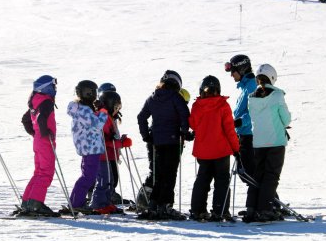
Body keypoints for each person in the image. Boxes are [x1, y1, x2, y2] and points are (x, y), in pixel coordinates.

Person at [137, 70, 190, 220]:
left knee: (159, 175)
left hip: (157, 142)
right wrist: (185, 132)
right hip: (172, 142)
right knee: (170, 174)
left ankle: (153, 205)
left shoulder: (152, 98)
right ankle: (165, 206)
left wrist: (146, 136)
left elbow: (141, 117)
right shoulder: (175, 97)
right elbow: (184, 115)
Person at [244, 64, 291, 222]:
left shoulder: (251, 97)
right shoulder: (277, 95)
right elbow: (286, 119)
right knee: (271, 176)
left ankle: (251, 208)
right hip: (276, 141)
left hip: (258, 142)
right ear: (272, 78)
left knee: (258, 175)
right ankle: (265, 209)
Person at [189, 76, 240, 221]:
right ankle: (221, 210)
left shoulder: (197, 106)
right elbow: (229, 129)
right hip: (221, 151)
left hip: (203, 151)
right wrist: (236, 149)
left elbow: (193, 124)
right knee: (222, 182)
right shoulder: (223, 105)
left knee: (202, 180)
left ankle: (197, 210)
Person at [20, 75, 59, 216]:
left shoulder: (35, 101)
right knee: (46, 173)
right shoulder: (46, 102)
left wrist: (35, 133)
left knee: (39, 172)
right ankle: (36, 203)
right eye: (53, 85)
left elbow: (25, 120)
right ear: (46, 87)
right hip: (45, 141)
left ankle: (27, 202)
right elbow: (42, 117)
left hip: (38, 140)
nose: (55, 88)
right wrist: (45, 132)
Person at [67, 80, 108, 211]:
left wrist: (97, 110)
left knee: (87, 176)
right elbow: (97, 125)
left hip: (89, 146)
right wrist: (103, 111)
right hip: (90, 147)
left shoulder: (83, 109)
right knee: (88, 177)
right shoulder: (83, 110)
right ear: (87, 93)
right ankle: (76, 203)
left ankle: (75, 202)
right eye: (93, 92)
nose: (95, 95)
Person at [90, 90, 132, 213]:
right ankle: (98, 204)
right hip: (102, 155)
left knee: (110, 181)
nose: (118, 110)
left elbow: (111, 137)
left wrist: (120, 141)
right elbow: (104, 139)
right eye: (116, 107)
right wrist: (121, 143)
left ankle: (106, 202)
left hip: (108, 155)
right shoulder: (102, 116)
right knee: (104, 180)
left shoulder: (108, 116)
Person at [225, 54, 257, 211]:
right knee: (248, 172)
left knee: (248, 172)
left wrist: (239, 122)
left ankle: (267, 202)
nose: (231, 75)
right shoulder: (245, 86)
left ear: (242, 69)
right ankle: (264, 202)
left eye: (233, 71)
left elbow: (255, 111)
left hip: (249, 135)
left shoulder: (252, 86)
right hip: (242, 134)